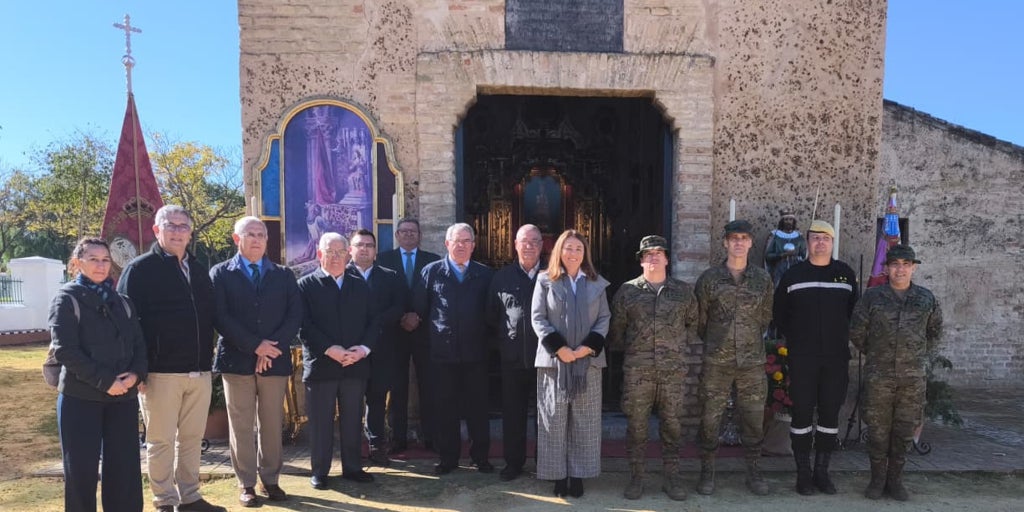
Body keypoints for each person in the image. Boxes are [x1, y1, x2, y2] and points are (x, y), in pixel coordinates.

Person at [118, 205, 225, 512]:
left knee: (192, 439)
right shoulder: (139, 270)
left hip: (200, 371)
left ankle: (190, 497)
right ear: (157, 230)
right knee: (161, 441)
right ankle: (165, 500)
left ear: (190, 233)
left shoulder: (200, 270)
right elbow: (126, 323)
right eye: (171, 225)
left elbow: (212, 316)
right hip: (160, 373)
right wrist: (137, 369)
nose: (178, 231)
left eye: (183, 226)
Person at [210, 217, 302, 507]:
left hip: (274, 360)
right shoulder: (221, 273)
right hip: (237, 361)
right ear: (237, 239)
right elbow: (220, 317)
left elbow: (294, 314)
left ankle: (271, 480)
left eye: (261, 234)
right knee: (241, 425)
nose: (257, 239)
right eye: (250, 234)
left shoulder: (283, 275)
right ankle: (246, 483)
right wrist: (254, 346)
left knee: (272, 423)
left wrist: (269, 348)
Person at [50, 237, 147, 512]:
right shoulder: (66, 298)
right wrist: (106, 382)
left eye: (105, 260)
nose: (101, 265)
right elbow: (66, 351)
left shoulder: (123, 301)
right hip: (80, 399)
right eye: (93, 259)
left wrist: (137, 375)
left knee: (124, 471)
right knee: (81, 472)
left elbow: (139, 344)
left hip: (122, 399)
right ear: (78, 263)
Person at [850, 245, 942, 501]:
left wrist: (918, 357)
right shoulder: (872, 298)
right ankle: (877, 480)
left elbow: (935, 332)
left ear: (913, 268)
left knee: (903, 431)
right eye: (895, 264)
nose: (900, 269)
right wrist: (878, 354)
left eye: (906, 264)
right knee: (878, 430)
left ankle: (896, 481)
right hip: (879, 376)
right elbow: (857, 331)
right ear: (886, 268)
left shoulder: (926, 299)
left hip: (912, 378)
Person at [773, 219, 858, 495]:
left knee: (830, 414)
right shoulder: (793, 275)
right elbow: (780, 314)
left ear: (832, 243)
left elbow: (853, 313)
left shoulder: (845, 275)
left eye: (826, 238)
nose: (820, 242)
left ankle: (822, 471)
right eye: (815, 238)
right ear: (806, 242)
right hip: (803, 357)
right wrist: (798, 339)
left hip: (835, 357)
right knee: (801, 413)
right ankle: (803, 474)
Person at [608, 235, 697, 501]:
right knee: (637, 427)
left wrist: (675, 348)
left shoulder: (683, 292)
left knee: (672, 426)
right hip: (639, 372)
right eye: (648, 254)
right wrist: (639, 352)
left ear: (668, 259)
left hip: (673, 372)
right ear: (641, 260)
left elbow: (693, 325)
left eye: (659, 253)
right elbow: (617, 332)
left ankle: (672, 477)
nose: (654, 257)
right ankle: (637, 478)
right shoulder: (627, 292)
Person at [693, 220, 773, 496]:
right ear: (725, 242)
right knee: (710, 418)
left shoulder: (762, 279)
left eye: (744, 238)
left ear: (751, 242)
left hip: (751, 362)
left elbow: (764, 318)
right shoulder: (709, 280)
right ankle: (707, 473)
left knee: (753, 418)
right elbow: (701, 322)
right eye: (733, 238)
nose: (739, 243)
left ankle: (754, 472)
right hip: (717, 361)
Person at [531, 229, 610, 499]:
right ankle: (557, 475)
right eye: (568, 248)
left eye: (578, 248)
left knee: (584, 421)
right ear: (559, 252)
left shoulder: (596, 283)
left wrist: (585, 349)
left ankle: (578, 475)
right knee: (553, 420)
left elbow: (604, 318)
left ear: (585, 252)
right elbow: (538, 317)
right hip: (554, 364)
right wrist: (560, 349)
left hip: (587, 362)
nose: (573, 253)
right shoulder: (545, 280)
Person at [414, 223, 495, 475]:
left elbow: (493, 315)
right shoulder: (431, 272)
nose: (460, 245)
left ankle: (480, 457)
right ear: (446, 244)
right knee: (445, 409)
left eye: (466, 241)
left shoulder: (486, 274)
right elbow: (420, 311)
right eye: (455, 241)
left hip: (476, 355)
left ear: (473, 244)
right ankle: (448, 458)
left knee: (478, 409)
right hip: (442, 355)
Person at [297, 233, 377, 488]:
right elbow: (303, 326)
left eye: (340, 252)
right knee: (320, 422)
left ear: (348, 255)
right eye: (329, 252)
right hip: (322, 365)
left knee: (353, 420)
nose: (335, 257)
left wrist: (363, 349)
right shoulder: (306, 285)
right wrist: (329, 349)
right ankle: (319, 471)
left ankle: (352, 468)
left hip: (355, 364)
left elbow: (373, 321)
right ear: (319, 254)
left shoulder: (360, 285)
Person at [376, 218, 441, 453]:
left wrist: (417, 317)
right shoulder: (383, 260)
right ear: (397, 235)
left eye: (413, 232)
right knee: (398, 386)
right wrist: (402, 317)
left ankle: (431, 437)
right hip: (395, 333)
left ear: (420, 235)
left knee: (429, 386)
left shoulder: (433, 261)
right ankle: (398, 437)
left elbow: (437, 298)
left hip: (424, 333)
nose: (408, 235)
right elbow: (382, 296)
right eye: (404, 231)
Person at [486, 224, 543, 481]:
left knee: (546, 416)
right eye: (524, 241)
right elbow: (491, 316)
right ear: (515, 245)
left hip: (546, 359)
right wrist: (503, 345)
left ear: (542, 246)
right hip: (512, 360)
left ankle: (545, 462)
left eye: (534, 241)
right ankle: (513, 463)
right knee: (513, 414)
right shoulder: (501, 277)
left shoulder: (552, 275)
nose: (529, 245)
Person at [346, 228, 404, 465]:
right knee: (350, 400)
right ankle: (349, 449)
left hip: (381, 348)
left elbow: (399, 306)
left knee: (377, 399)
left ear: (376, 250)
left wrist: (378, 321)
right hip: (351, 350)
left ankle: (376, 445)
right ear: (351, 249)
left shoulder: (390, 276)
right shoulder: (342, 276)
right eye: (360, 245)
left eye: (369, 245)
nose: (364, 249)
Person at [764, 210, 807, 287]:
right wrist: (782, 255)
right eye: (786, 219)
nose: (788, 222)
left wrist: (796, 257)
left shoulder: (799, 237)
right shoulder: (775, 236)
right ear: (782, 221)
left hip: (795, 271)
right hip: (779, 271)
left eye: (790, 219)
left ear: (794, 221)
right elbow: (768, 256)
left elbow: (804, 256)